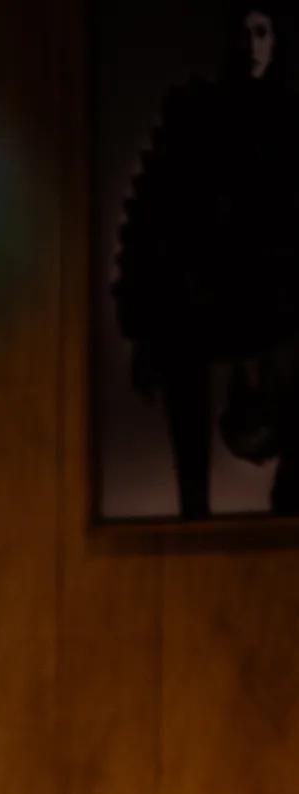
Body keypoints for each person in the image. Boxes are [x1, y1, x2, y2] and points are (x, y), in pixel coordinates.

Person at [113, 6, 299, 516]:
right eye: (243, 33)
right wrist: (144, 325)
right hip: (207, 301)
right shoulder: (193, 112)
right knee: (178, 345)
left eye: (261, 32)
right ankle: (192, 508)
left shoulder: (291, 120)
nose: (251, 44)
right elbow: (153, 215)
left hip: (280, 301)